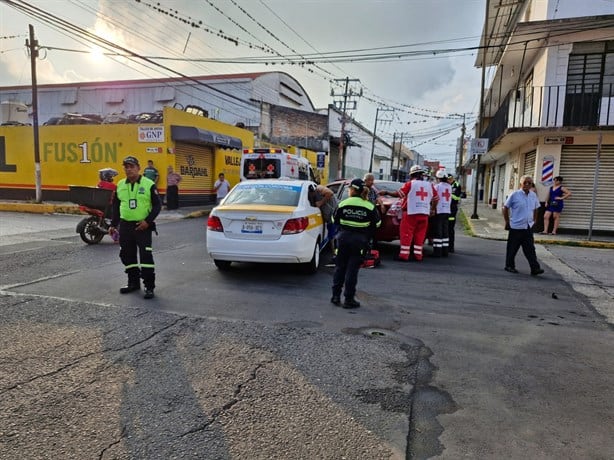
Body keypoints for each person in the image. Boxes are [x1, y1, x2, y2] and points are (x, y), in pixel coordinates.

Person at [108, 156, 162, 299]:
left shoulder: (149, 184)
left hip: (142, 226)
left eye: (131, 166)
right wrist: (113, 224)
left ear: (138, 168)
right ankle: (133, 282)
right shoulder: (120, 185)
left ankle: (149, 287)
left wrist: (148, 221)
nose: (129, 169)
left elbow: (157, 205)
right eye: (126, 166)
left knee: (146, 257)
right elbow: (115, 206)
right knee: (126, 255)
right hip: (125, 226)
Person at [331, 178, 381, 309]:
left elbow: (334, 220)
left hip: (342, 239)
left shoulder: (343, 203)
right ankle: (349, 299)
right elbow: (377, 224)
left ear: (352, 190)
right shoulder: (369, 206)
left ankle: (335, 296)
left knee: (340, 268)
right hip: (359, 242)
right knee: (352, 271)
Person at [393, 165, 439, 262]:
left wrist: (386, 192)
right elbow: (436, 199)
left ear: (412, 175)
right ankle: (418, 255)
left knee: (406, 233)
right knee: (420, 234)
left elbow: (399, 194)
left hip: (410, 213)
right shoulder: (429, 185)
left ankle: (404, 255)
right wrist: (433, 209)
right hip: (424, 214)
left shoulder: (410, 184)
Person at [502, 175, 544, 276]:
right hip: (516, 227)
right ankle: (509, 266)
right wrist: (507, 221)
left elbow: (536, 208)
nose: (527, 184)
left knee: (530, 249)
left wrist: (534, 220)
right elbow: (505, 208)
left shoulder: (533, 195)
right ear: (521, 183)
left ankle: (535, 268)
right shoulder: (515, 195)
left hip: (528, 227)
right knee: (512, 248)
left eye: (529, 183)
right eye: (525, 182)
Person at [433, 170, 452, 257]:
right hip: (447, 210)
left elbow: (434, 198)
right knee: (445, 231)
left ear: (438, 178)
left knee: (438, 230)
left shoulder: (437, 187)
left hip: (439, 210)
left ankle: (437, 251)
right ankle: (445, 251)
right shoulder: (449, 186)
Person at [447, 174, 462, 252]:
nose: (448, 181)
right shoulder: (447, 185)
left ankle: (451, 247)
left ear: (452, 179)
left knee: (450, 229)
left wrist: (448, 195)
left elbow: (456, 197)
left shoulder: (456, 185)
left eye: (450, 179)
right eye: (447, 179)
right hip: (446, 208)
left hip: (452, 208)